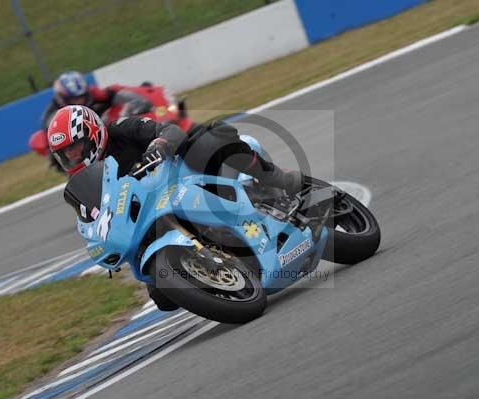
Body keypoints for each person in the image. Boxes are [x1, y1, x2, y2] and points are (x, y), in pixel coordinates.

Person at [47, 105, 303, 310]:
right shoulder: (83, 181)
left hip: (178, 175)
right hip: (150, 214)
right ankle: (223, 270)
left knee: (208, 142)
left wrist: (159, 145)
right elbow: (93, 216)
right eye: (65, 154)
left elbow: (168, 130)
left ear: (92, 133)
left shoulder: (122, 130)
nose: (73, 157)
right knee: (163, 296)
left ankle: (274, 178)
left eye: (75, 148)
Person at [41, 71, 151, 130]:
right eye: (75, 99)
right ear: (63, 98)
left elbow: (114, 92)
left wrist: (139, 97)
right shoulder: (53, 116)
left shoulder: (94, 93)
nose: (80, 101)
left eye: (82, 96)